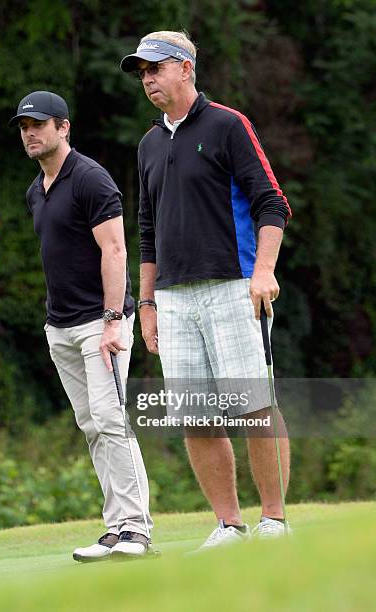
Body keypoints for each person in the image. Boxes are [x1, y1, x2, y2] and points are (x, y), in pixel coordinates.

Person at [120, 31, 292, 548]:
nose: (147, 79)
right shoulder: (149, 144)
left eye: (155, 68)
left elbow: (272, 203)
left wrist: (264, 271)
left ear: (185, 68)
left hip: (234, 283)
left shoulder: (227, 125)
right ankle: (228, 524)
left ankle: (274, 521)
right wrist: (146, 303)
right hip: (172, 297)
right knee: (195, 413)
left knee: (254, 404)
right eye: (142, 72)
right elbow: (146, 231)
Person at [9, 90, 153, 560]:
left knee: (112, 420)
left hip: (101, 323)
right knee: (91, 424)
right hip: (61, 328)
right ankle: (115, 528)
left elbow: (115, 251)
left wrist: (114, 321)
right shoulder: (36, 191)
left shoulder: (90, 178)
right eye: (24, 127)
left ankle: (137, 530)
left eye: (39, 125)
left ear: (63, 127)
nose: (31, 134)